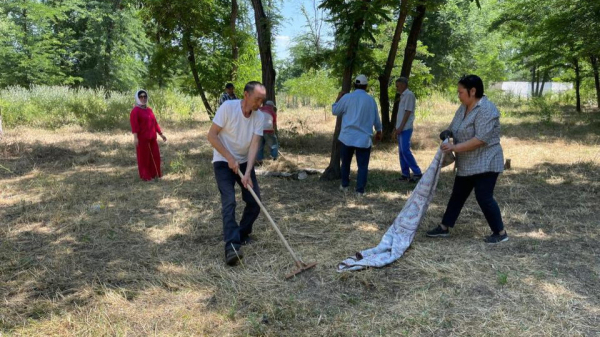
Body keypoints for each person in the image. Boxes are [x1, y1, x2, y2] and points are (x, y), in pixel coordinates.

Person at [426, 75, 507, 244]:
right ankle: (444, 227)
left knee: (483, 196)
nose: (458, 96)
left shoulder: (487, 110)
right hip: (468, 162)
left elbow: (480, 140)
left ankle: (500, 232)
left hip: (487, 161)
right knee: (458, 194)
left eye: (460, 92)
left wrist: (454, 148)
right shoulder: (463, 107)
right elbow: (455, 127)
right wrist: (447, 133)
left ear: (472, 91)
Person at [207, 81, 266, 266]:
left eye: (262, 100)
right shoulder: (228, 108)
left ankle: (241, 234)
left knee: (254, 201)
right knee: (229, 201)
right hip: (223, 162)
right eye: (258, 99)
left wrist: (247, 172)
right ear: (246, 95)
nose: (260, 104)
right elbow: (212, 136)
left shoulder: (259, 117)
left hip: (243, 162)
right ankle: (231, 247)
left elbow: (255, 144)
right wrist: (229, 158)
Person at [333, 75, 382, 196]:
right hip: (363, 139)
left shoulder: (347, 98)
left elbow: (335, 111)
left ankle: (344, 185)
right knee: (363, 166)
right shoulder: (371, 100)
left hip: (347, 137)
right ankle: (360, 190)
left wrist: (338, 98)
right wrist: (379, 131)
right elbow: (376, 118)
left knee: (345, 163)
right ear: (366, 86)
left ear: (355, 85)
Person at [130, 90, 167, 181]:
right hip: (142, 139)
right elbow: (134, 125)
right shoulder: (135, 111)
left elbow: (155, 123)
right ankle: (145, 176)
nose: (143, 98)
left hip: (152, 138)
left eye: (145, 96)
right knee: (144, 158)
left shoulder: (149, 110)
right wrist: (135, 138)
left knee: (155, 157)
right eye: (141, 97)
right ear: (137, 98)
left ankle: (156, 174)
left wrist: (161, 134)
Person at [392, 77, 422, 183]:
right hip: (401, 127)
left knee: (405, 150)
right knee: (401, 151)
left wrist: (400, 127)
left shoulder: (409, 95)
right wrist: (397, 127)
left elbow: (408, 112)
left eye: (398, 85)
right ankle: (405, 174)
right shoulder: (403, 96)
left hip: (406, 128)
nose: (397, 88)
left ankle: (417, 172)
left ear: (404, 85)